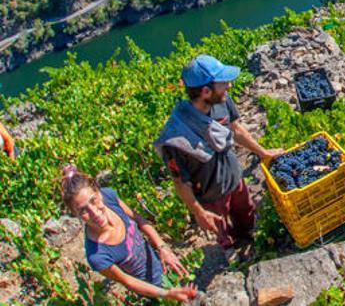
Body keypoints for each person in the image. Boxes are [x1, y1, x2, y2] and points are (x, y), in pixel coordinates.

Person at [154, 55, 283, 249]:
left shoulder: (222, 101)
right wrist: (198, 212)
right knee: (222, 231)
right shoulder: (176, 138)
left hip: (235, 178)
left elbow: (236, 129)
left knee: (246, 213)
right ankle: (231, 250)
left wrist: (262, 152)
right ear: (206, 91)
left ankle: (248, 238)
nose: (229, 86)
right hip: (211, 197)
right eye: (223, 83)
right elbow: (180, 181)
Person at [60, 164, 196, 302]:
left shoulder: (109, 197)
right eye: (83, 210)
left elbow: (138, 219)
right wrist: (166, 294)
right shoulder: (97, 255)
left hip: (161, 264)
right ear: (75, 215)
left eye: (93, 200)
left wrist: (162, 247)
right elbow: (128, 281)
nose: (94, 212)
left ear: (98, 192)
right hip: (152, 291)